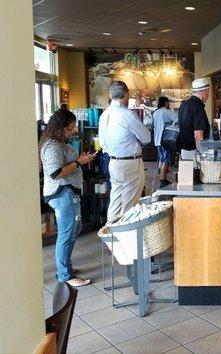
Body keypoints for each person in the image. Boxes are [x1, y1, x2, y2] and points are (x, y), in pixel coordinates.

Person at [40, 109, 95, 287]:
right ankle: (64, 274)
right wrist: (79, 162)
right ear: (60, 128)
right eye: (69, 128)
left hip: (68, 191)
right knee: (66, 233)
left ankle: (66, 267)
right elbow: (56, 174)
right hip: (61, 192)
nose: (73, 131)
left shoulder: (58, 143)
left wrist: (80, 159)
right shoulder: (52, 147)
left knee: (73, 228)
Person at [99, 81, 151, 222]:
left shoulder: (104, 115)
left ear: (109, 95)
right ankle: (126, 238)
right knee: (130, 205)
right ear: (126, 95)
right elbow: (146, 138)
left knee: (115, 201)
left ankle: (112, 237)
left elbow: (102, 142)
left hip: (113, 161)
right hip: (130, 162)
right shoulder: (127, 114)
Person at [178, 78, 211, 160]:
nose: (208, 95)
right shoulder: (198, 107)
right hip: (195, 153)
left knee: (187, 173)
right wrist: (202, 157)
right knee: (196, 173)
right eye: (208, 92)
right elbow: (198, 136)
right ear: (204, 92)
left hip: (184, 151)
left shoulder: (183, 105)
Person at [153, 96, 178, 187]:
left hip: (157, 139)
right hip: (166, 139)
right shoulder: (166, 112)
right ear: (166, 103)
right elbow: (178, 119)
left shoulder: (155, 113)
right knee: (166, 159)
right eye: (168, 103)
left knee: (162, 158)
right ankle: (163, 179)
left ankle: (162, 176)